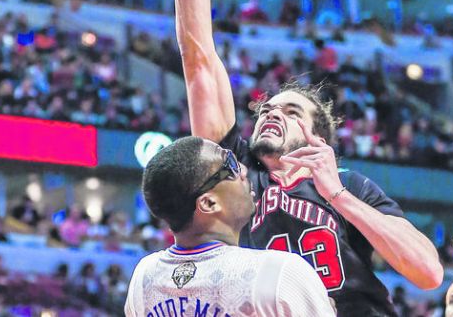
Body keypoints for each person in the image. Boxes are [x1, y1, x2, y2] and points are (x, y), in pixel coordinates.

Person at [171, 0, 443, 317]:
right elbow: (198, 57)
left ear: (318, 136)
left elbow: (428, 273)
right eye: (266, 108)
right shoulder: (237, 172)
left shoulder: (353, 187)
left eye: (290, 110)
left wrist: (337, 196)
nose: (270, 113)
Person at [125, 136, 335, 317]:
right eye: (231, 167)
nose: (243, 171)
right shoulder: (279, 272)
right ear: (208, 203)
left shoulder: (143, 277)